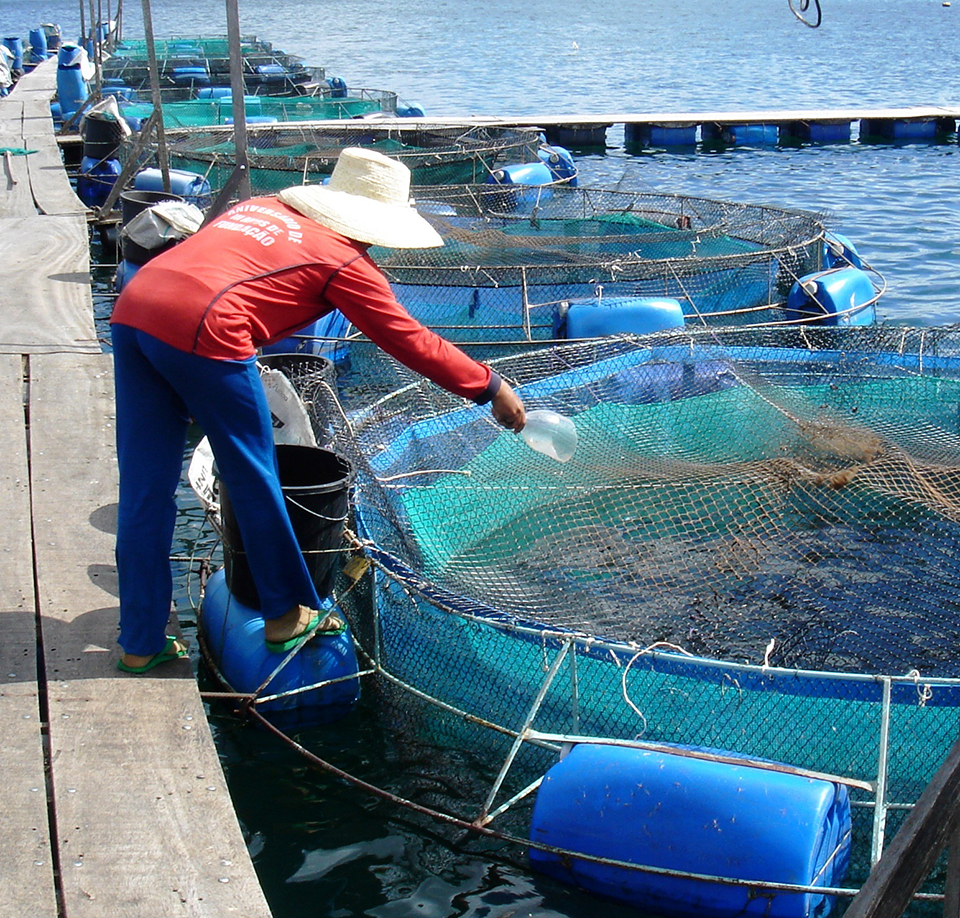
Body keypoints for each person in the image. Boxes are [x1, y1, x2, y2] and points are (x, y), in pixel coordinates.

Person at [110, 147, 526, 673]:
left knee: (144, 486)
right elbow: (410, 341)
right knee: (252, 471)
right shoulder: (347, 262)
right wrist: (489, 386)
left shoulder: (259, 206)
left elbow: (223, 266)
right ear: (378, 223)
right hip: (208, 326)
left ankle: (140, 639)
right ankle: (286, 612)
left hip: (136, 302)